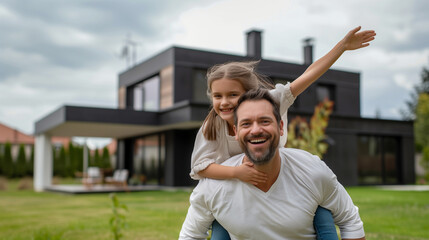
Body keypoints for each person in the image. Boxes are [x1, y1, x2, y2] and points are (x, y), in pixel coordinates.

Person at [190, 26, 375, 239]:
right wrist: (237, 173)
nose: (225, 102)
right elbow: (200, 168)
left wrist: (341, 47)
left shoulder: (272, 100)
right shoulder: (211, 126)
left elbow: (309, 75)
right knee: (221, 226)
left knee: (322, 214)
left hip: (279, 178)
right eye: (218, 96)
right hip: (236, 191)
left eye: (233, 94)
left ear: (251, 95)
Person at [179, 88, 366, 240]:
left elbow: (350, 220)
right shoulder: (213, 186)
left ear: (281, 127)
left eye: (264, 121)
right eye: (246, 124)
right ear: (236, 132)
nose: (256, 130)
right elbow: (190, 235)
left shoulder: (312, 171)